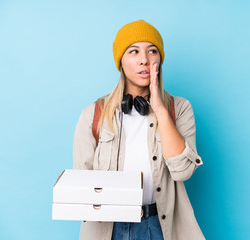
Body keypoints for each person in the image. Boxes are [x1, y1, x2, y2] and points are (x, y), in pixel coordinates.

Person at [73, 19, 205, 240]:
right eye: (133, 52)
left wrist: (160, 109)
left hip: (158, 225)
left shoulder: (178, 109)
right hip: (108, 228)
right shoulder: (93, 114)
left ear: (159, 59)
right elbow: (82, 186)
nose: (144, 60)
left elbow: (183, 171)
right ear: (121, 62)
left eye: (152, 51)